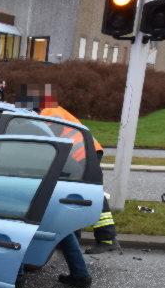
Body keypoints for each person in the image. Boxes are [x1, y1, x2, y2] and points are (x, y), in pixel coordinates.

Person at [40, 97, 120, 254]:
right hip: (83, 153)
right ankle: (83, 240)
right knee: (77, 194)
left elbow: (53, 134)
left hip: (80, 155)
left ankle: (106, 238)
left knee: (85, 194)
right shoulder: (51, 108)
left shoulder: (49, 110)